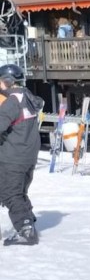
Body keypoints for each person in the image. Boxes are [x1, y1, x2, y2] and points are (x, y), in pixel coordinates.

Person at [0, 63, 45, 246]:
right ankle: (28, 220)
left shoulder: (12, 101)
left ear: (7, 82)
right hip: (28, 155)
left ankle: (25, 229)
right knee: (18, 192)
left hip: (13, 156)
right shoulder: (27, 97)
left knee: (10, 194)